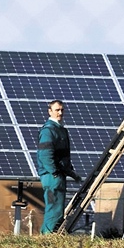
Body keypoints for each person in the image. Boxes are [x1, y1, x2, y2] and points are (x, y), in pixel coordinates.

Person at [37, 100, 82, 234]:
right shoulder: (49, 131)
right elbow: (45, 154)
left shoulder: (60, 130)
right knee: (54, 209)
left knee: (57, 209)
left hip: (58, 174)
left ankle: (48, 236)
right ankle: (48, 237)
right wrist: (54, 171)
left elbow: (63, 157)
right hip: (52, 176)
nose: (60, 113)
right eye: (57, 110)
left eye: (62, 110)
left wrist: (72, 173)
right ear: (50, 111)